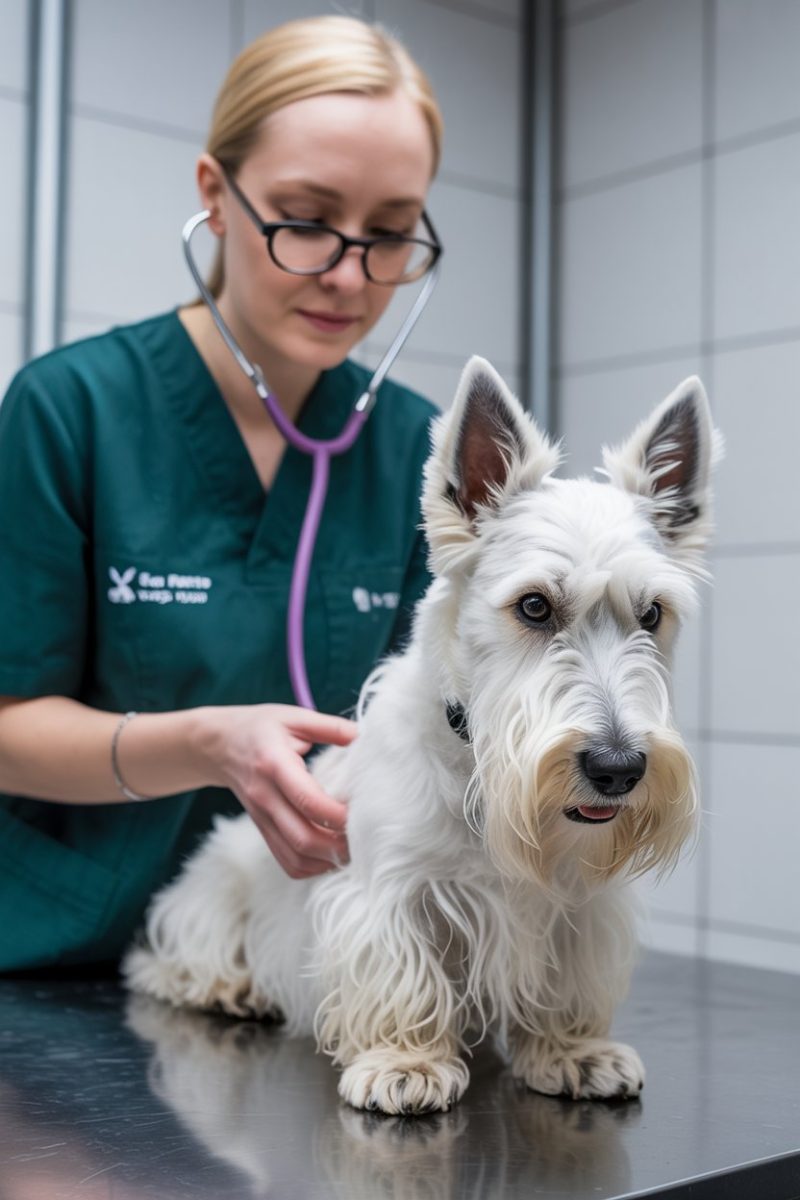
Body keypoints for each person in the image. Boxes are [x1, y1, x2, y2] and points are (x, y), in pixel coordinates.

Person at [0, 15, 444, 972]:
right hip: (65, 969)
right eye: (307, 218)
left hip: (305, 968)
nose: (349, 274)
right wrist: (211, 743)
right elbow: (5, 731)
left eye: (392, 234)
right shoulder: (71, 408)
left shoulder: (418, 448)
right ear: (215, 194)